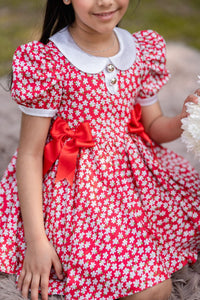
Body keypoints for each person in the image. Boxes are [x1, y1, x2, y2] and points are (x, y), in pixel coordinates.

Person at [0, 0, 200, 299]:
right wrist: (36, 241)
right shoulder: (49, 61)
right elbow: (30, 153)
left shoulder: (140, 48)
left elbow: (154, 125)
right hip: (78, 189)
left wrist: (183, 118)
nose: (105, 1)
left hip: (132, 176)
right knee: (154, 289)